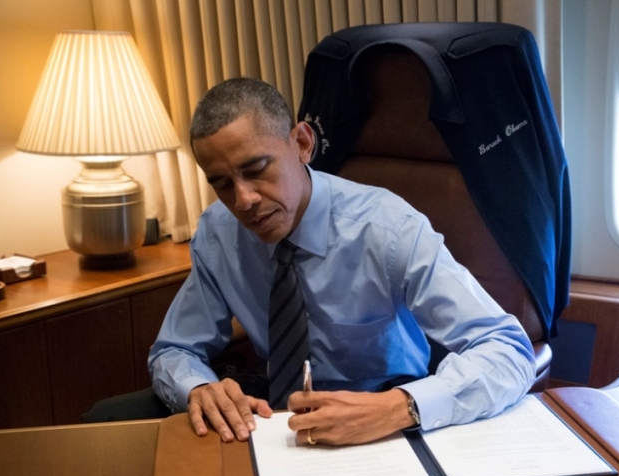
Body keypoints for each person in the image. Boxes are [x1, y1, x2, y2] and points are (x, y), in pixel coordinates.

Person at [149, 77, 536, 446]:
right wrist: (199, 388)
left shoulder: (389, 229)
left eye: (256, 170)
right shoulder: (219, 235)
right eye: (221, 183)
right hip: (275, 421)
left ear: (302, 143)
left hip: (385, 418)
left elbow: (508, 351)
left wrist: (399, 407)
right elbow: (173, 350)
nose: (243, 200)